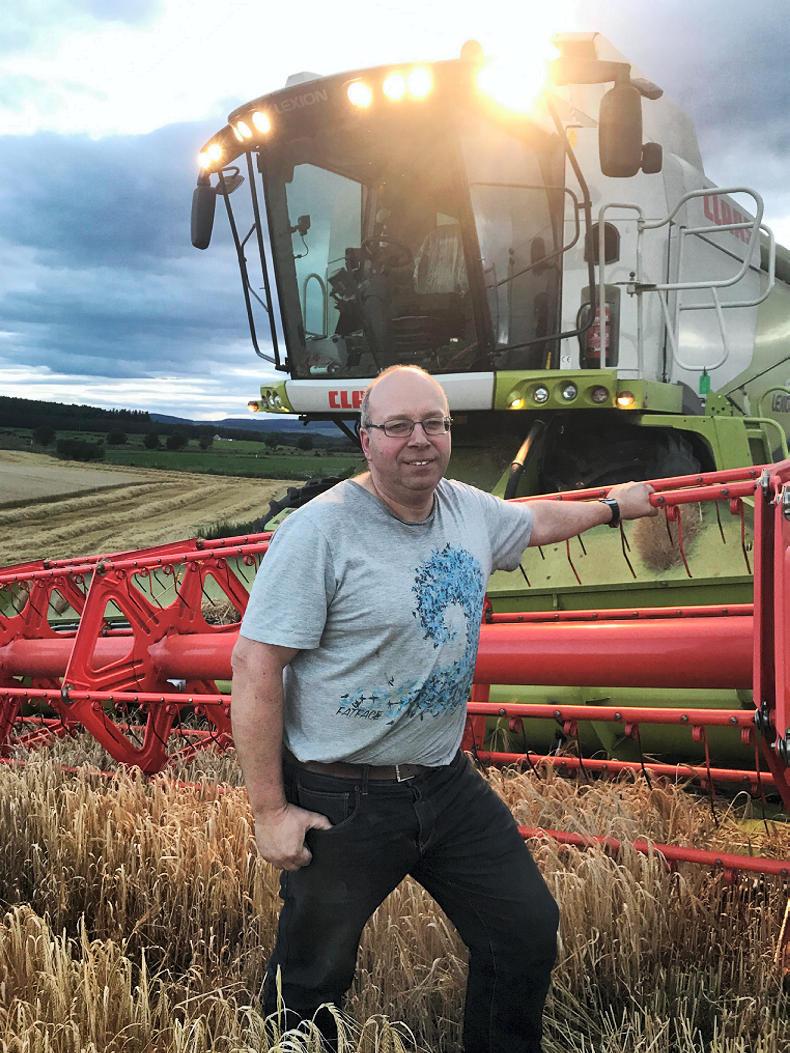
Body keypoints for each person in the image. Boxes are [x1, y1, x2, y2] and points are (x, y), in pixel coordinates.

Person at [231, 364, 656, 1052]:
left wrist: (611, 506)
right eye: (398, 426)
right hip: (345, 795)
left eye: (434, 422)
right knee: (312, 980)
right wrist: (269, 810)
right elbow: (255, 665)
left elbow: (533, 518)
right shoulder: (320, 532)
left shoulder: (466, 507)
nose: (419, 439)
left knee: (523, 930)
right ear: (366, 440)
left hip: (443, 782)